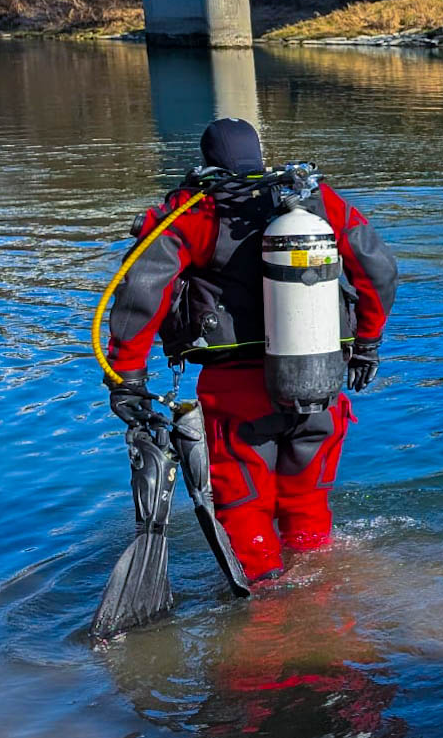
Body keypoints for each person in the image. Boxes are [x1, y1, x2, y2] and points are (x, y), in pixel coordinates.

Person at [103, 118, 399, 582]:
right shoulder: (316, 200)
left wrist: (127, 377)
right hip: (320, 381)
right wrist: (367, 343)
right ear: (258, 154)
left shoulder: (197, 210)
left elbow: (141, 290)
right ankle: (321, 600)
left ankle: (264, 607)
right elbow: (379, 268)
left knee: (244, 507)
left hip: (236, 395)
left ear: (208, 160)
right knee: (308, 503)